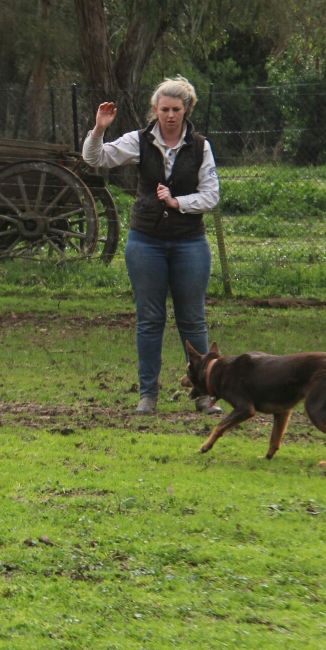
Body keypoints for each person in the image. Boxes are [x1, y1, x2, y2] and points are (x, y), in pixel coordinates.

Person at [82, 76, 221, 415]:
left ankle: (204, 394)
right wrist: (99, 129)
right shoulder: (139, 141)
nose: (170, 115)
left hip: (190, 243)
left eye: (176, 109)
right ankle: (148, 395)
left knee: (192, 319)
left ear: (186, 110)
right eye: (164, 109)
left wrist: (178, 203)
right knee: (149, 319)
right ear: (155, 110)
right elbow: (95, 159)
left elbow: (211, 195)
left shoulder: (200, 146)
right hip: (146, 241)